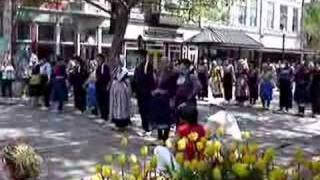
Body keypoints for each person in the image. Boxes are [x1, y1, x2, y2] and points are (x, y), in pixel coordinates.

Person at [152, 58, 176, 142]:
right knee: (159, 118)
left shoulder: (172, 74)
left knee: (166, 119)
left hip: (166, 99)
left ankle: (165, 137)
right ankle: (159, 136)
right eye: (161, 62)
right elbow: (154, 85)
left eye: (165, 63)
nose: (163, 64)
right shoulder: (157, 73)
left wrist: (163, 92)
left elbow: (173, 89)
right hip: (157, 99)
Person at [133, 52, 155, 135]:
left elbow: (150, 79)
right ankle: (144, 126)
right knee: (141, 110)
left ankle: (147, 126)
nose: (140, 58)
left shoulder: (148, 66)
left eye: (141, 56)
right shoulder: (138, 66)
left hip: (146, 92)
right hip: (139, 92)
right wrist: (134, 90)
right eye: (139, 56)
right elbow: (135, 78)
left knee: (147, 110)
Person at [95, 54, 111, 120]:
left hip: (104, 87)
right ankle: (102, 115)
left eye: (98, 59)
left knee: (105, 102)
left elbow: (108, 77)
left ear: (101, 59)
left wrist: (107, 86)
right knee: (100, 101)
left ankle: (105, 116)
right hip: (99, 87)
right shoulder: (98, 67)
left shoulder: (105, 67)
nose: (97, 60)